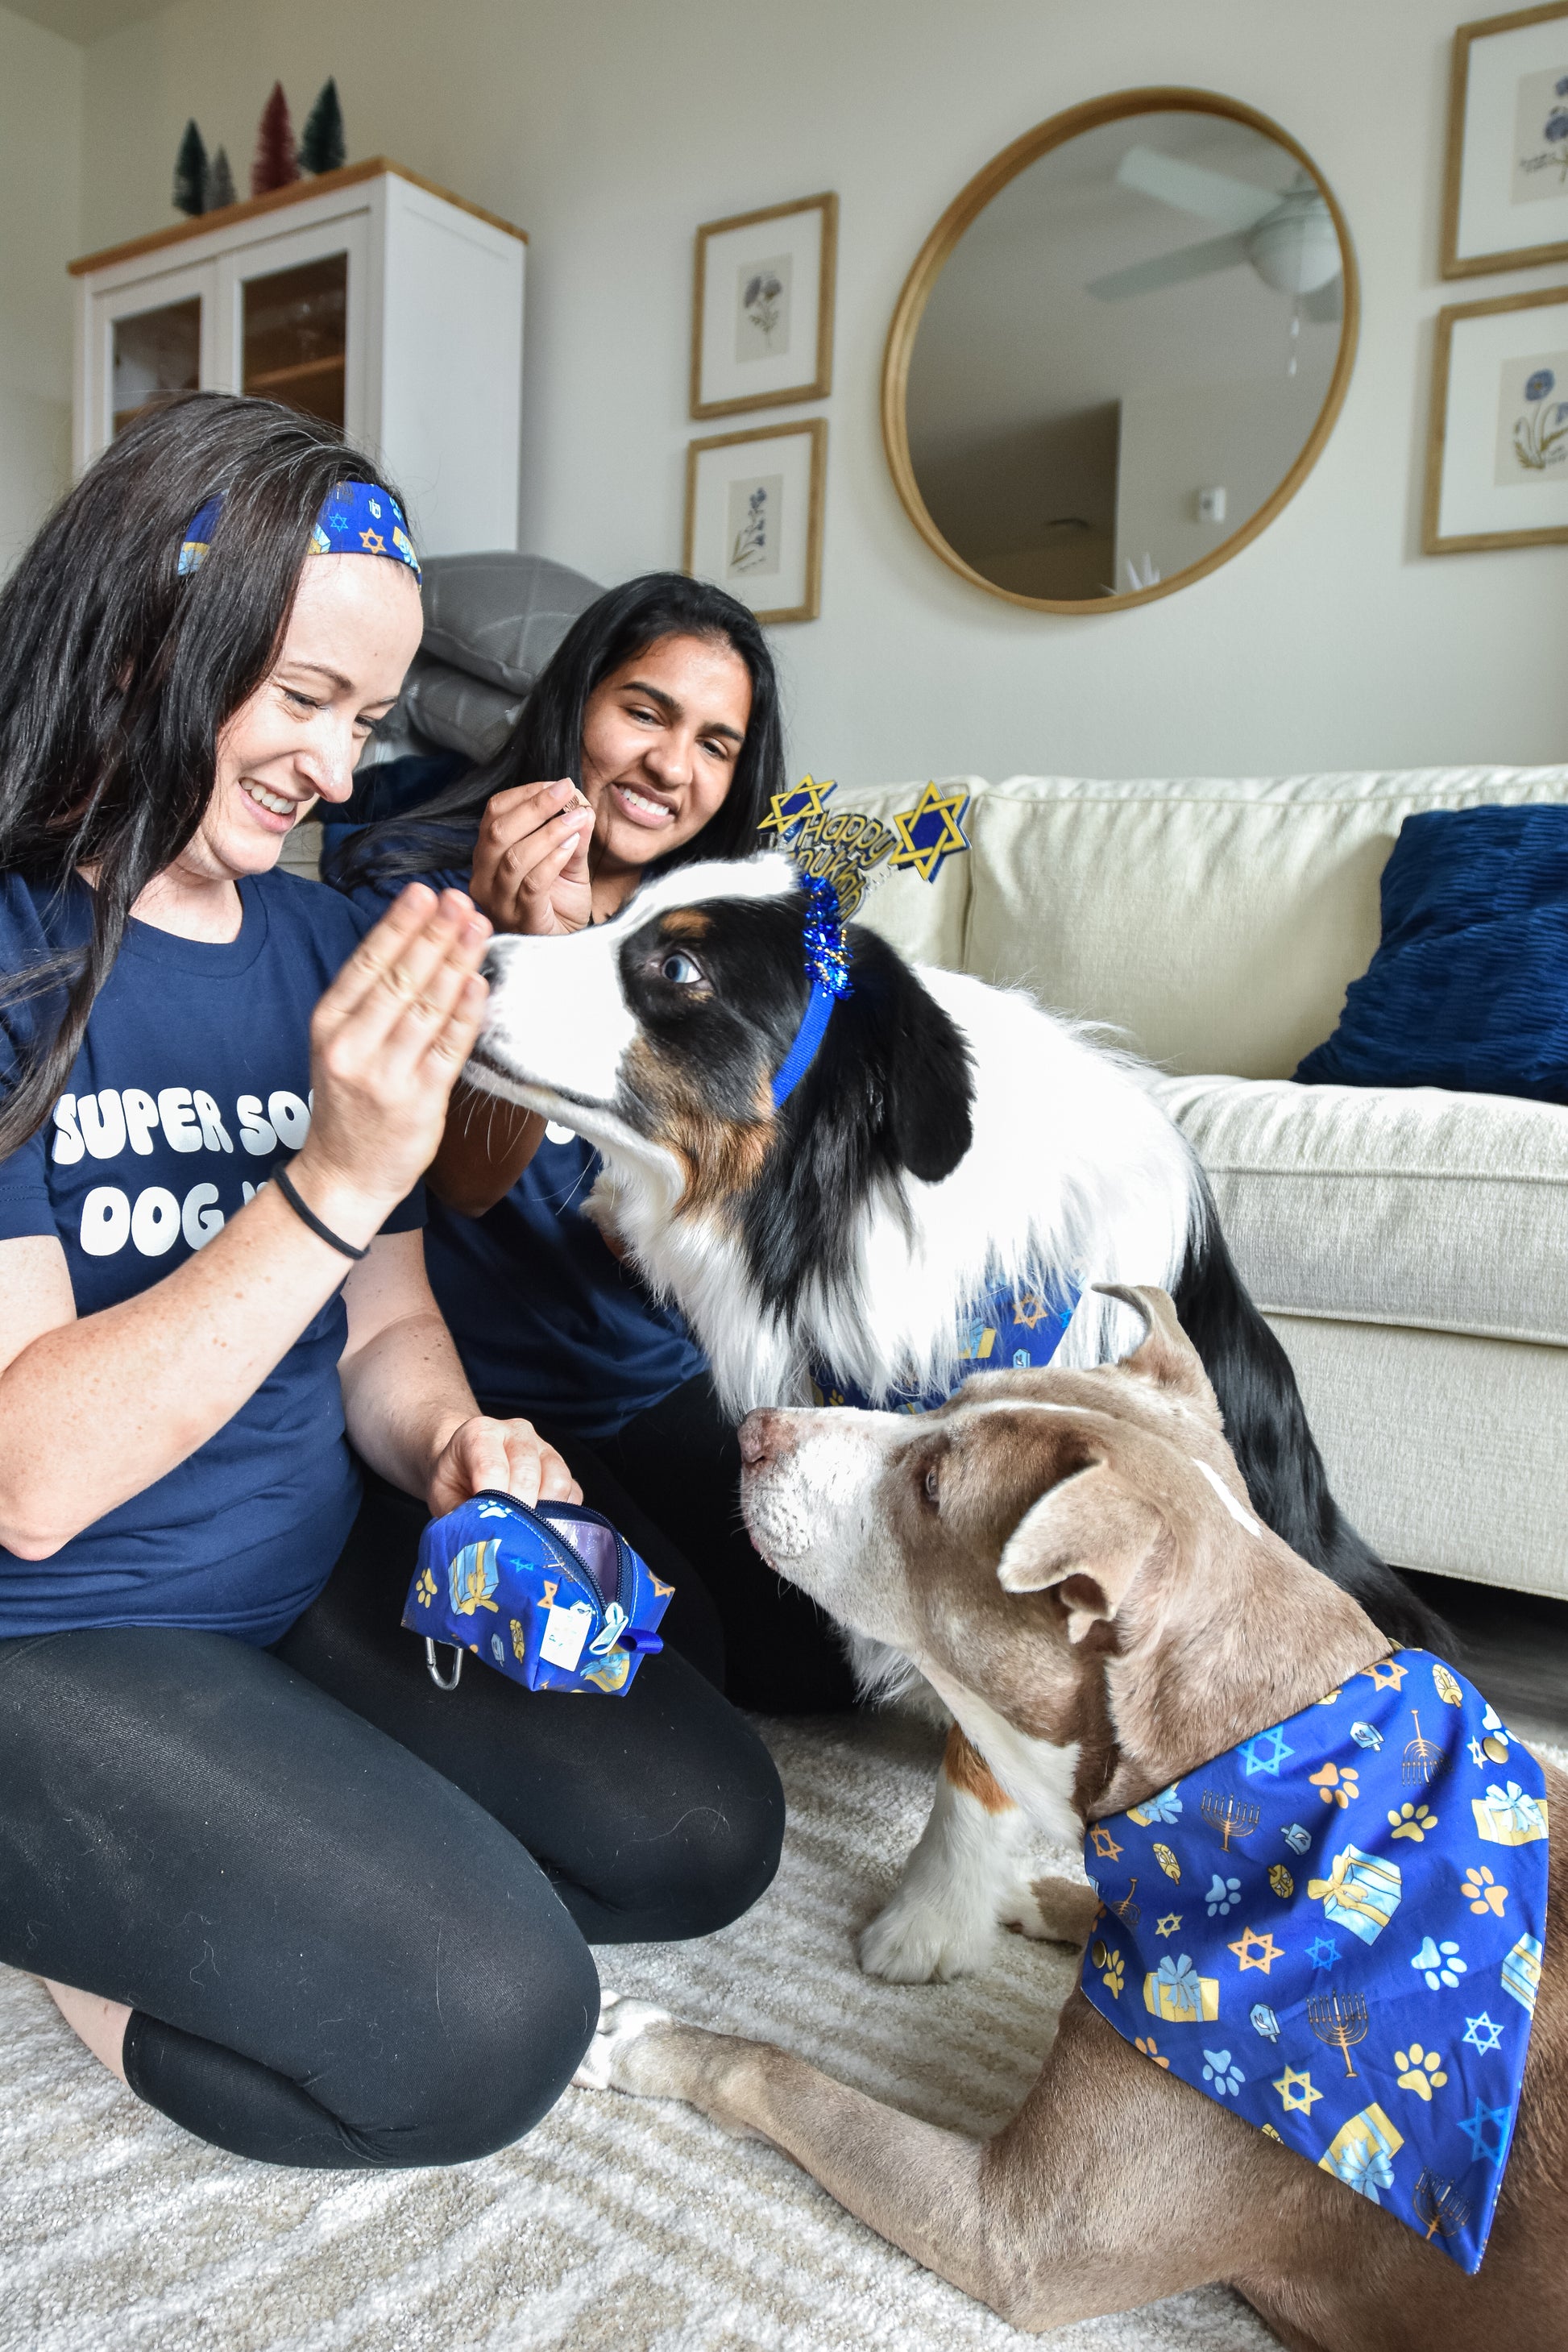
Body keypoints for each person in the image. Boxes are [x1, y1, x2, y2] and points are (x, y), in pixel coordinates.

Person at [0, 396, 782, 2172]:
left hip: (289, 1561)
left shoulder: (328, 944)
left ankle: (269, 1797)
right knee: (481, 2021)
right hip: (50, 1627)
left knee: (696, 1825)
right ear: (141, 644)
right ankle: (65, 1924)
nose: (345, 775)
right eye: (304, 701)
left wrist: (447, 1438)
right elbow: (29, 1481)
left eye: (368, 718)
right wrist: (337, 1172)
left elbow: (389, 1315)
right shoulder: (16, 949)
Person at [333, 577, 857, 1711]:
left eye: (717, 743)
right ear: (577, 700)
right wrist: (528, 955)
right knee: (680, 1660)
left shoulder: (714, 939)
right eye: (647, 712)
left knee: (832, 1656)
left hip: (652, 1360)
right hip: (491, 1380)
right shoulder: (419, 885)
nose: (673, 766)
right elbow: (463, 1191)